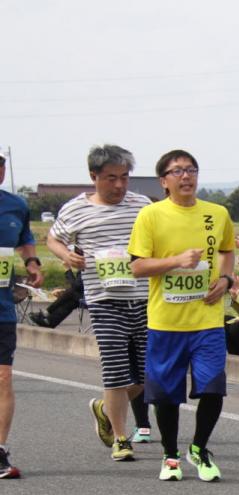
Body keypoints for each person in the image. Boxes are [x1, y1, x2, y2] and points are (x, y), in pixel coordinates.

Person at [128, 149, 236, 481]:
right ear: (164, 181)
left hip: (207, 319)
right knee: (165, 394)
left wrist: (225, 279)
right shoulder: (151, 216)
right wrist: (176, 261)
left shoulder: (217, 213)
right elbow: (137, 267)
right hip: (166, 322)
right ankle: (170, 454)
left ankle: (199, 449)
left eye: (191, 170)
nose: (186, 176)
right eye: (177, 171)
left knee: (213, 387)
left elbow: (227, 251)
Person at [47, 144, 155, 461]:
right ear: (93, 176)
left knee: (150, 375)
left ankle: (105, 410)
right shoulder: (75, 209)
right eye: (111, 178)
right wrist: (66, 255)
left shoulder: (142, 205)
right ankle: (121, 438)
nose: (119, 185)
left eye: (124, 177)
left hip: (144, 298)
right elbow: (53, 238)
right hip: (104, 299)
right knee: (115, 369)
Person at [0, 147, 43, 478]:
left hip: (1, 309)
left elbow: (25, 239)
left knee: (3, 377)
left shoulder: (16, 205)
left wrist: (31, 262)